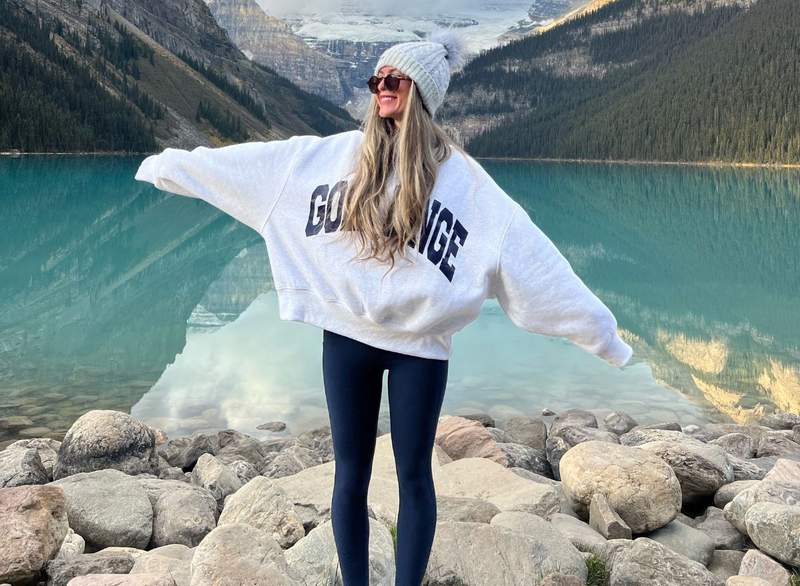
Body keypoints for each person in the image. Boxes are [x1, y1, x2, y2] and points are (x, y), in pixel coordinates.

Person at [134, 27, 633, 586]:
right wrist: (166, 165)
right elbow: (248, 168)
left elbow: (536, 264)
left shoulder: (467, 185)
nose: (380, 89)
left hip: (419, 347)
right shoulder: (330, 157)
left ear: (419, 90)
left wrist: (602, 337)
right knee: (350, 474)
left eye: (392, 79)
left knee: (415, 474)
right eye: (376, 80)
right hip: (346, 338)